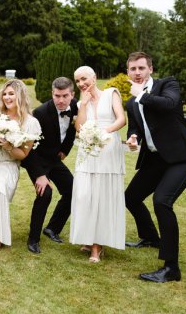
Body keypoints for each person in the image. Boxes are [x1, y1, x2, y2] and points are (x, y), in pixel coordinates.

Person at [124, 52, 186, 283]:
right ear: (127, 71)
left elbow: (169, 105)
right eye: (132, 69)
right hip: (156, 160)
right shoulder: (131, 102)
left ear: (150, 69)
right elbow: (134, 127)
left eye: (141, 68)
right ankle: (150, 237)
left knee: (162, 201)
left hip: (183, 158)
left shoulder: (167, 84)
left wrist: (143, 95)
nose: (137, 73)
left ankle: (171, 268)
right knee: (130, 197)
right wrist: (133, 137)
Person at [0, 79, 41, 251]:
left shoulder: (30, 123)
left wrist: (9, 146)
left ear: (20, 95)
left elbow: (23, 154)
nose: (7, 97)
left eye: (11, 93)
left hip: (5, 164)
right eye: (5, 93)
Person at [69, 66, 126, 263]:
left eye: (84, 78)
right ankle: (87, 236)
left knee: (102, 196)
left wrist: (104, 132)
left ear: (94, 77)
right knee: (85, 194)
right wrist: (83, 105)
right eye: (77, 81)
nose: (81, 83)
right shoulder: (80, 102)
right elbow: (79, 128)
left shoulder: (111, 93)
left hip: (108, 149)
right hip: (87, 152)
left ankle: (97, 247)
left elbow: (121, 119)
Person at [20, 77, 78, 254]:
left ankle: (52, 228)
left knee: (73, 190)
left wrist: (65, 150)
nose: (61, 100)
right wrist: (39, 175)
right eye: (57, 96)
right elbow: (29, 149)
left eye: (65, 96)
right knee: (45, 194)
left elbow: (72, 131)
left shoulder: (76, 107)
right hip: (36, 159)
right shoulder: (40, 113)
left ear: (72, 95)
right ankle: (33, 239)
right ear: (52, 94)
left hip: (54, 159)